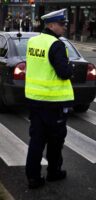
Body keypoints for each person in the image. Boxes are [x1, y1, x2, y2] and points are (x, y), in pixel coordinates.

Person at [25, 8, 74, 189]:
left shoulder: (33, 41)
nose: (64, 28)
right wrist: (71, 68)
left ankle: (33, 177)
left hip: (34, 99)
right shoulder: (56, 44)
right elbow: (64, 73)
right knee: (55, 141)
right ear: (51, 25)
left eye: (64, 24)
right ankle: (54, 172)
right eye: (61, 24)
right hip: (53, 102)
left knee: (36, 140)